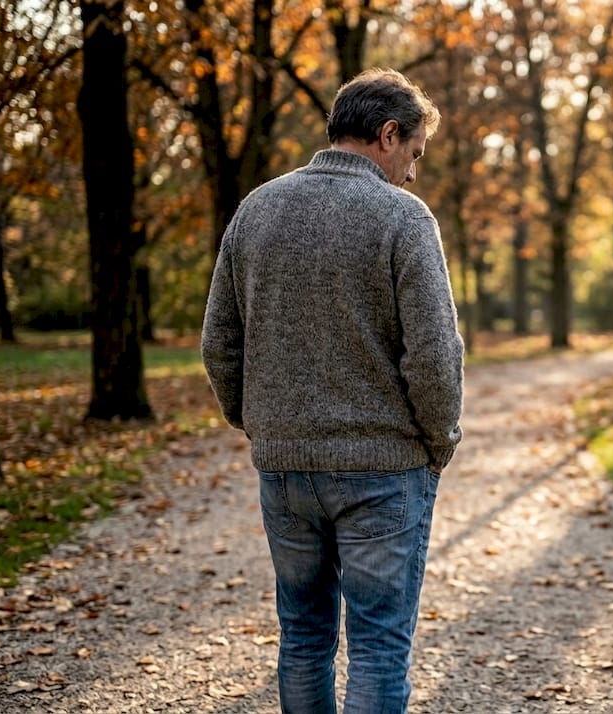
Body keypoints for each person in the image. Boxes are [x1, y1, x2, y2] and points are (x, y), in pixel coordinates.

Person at [201, 67, 464, 714]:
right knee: (377, 643)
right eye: (413, 154)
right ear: (388, 133)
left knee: (304, 636)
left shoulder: (256, 209)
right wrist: (439, 443)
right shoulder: (403, 218)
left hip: (286, 468)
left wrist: (261, 424)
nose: (411, 171)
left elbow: (218, 342)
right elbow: (433, 354)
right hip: (383, 469)